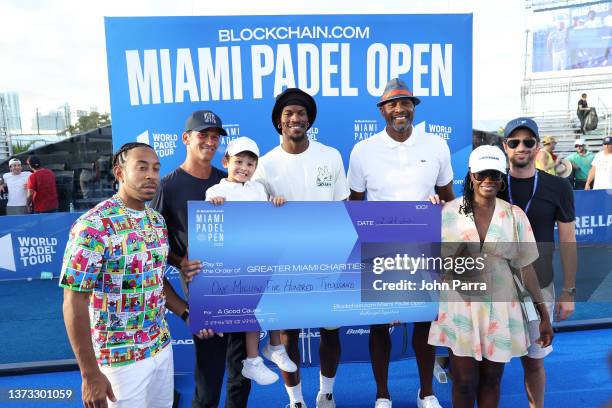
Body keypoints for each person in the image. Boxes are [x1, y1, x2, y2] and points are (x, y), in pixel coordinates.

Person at [60, 142, 193, 408]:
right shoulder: (93, 226)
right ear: (119, 172)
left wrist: (187, 314)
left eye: (156, 168)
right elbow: (74, 301)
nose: (151, 175)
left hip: (161, 348)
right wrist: (89, 374)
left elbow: (155, 279)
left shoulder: (156, 220)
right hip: (119, 361)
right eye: (141, 167)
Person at [347, 77, 454, 408]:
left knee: (425, 320)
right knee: (380, 324)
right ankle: (382, 394)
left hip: (425, 247)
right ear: (382, 111)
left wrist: (442, 210)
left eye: (405, 103)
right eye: (392, 104)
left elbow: (450, 199)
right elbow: (354, 204)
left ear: (414, 107)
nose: (399, 109)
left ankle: (427, 392)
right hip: (381, 247)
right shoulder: (363, 151)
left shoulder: (436, 145)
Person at [428, 145, 554, 408]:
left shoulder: (514, 215)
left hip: (501, 307)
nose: (488, 180)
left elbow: (526, 267)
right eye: (482, 173)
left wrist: (543, 314)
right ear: (471, 175)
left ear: (502, 178)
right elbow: (429, 260)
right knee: (463, 381)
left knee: (492, 379)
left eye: (495, 175)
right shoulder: (447, 212)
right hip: (461, 308)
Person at [253, 87, 349, 408]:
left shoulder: (331, 156)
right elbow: (251, 214)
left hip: (327, 259)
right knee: (288, 335)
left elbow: (343, 207)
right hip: (285, 263)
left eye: (301, 113)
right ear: (279, 122)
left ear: (309, 120)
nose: (296, 118)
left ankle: (327, 393)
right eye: (289, 114)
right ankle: (295, 400)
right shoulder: (264, 164)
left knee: (330, 331)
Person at [150, 110, 251, 408]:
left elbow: (251, 227)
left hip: (239, 284)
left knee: (242, 369)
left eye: (215, 136)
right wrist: (180, 261)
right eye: (203, 135)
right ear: (186, 138)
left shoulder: (229, 181)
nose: (210, 141)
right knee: (209, 374)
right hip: (202, 289)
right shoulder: (167, 186)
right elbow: (153, 243)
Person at [205, 136, 297, 386]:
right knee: (250, 313)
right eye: (239, 162)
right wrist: (214, 205)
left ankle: (275, 347)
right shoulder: (215, 191)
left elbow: (266, 215)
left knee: (275, 297)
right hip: (234, 263)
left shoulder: (258, 188)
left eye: (250, 164)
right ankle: (253, 360)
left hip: (261, 256)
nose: (244, 168)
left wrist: (275, 202)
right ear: (225, 161)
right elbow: (207, 225)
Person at [498, 117, 577, 408]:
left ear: (538, 146)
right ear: (504, 146)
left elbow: (568, 240)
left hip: (540, 287)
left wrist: (569, 291)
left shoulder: (558, 187)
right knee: (492, 364)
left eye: (528, 142)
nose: (522, 147)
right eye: (514, 142)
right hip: (496, 288)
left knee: (534, 361)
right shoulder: (490, 184)